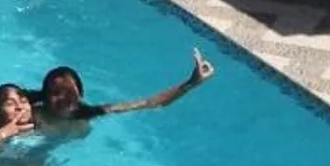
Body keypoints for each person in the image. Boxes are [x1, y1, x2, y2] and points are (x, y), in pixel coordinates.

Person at [32, 53, 216, 134]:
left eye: (69, 92)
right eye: (55, 93)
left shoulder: (92, 113)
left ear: (80, 95)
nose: (63, 98)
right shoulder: (35, 114)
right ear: (45, 97)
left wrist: (191, 83)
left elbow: (150, 103)